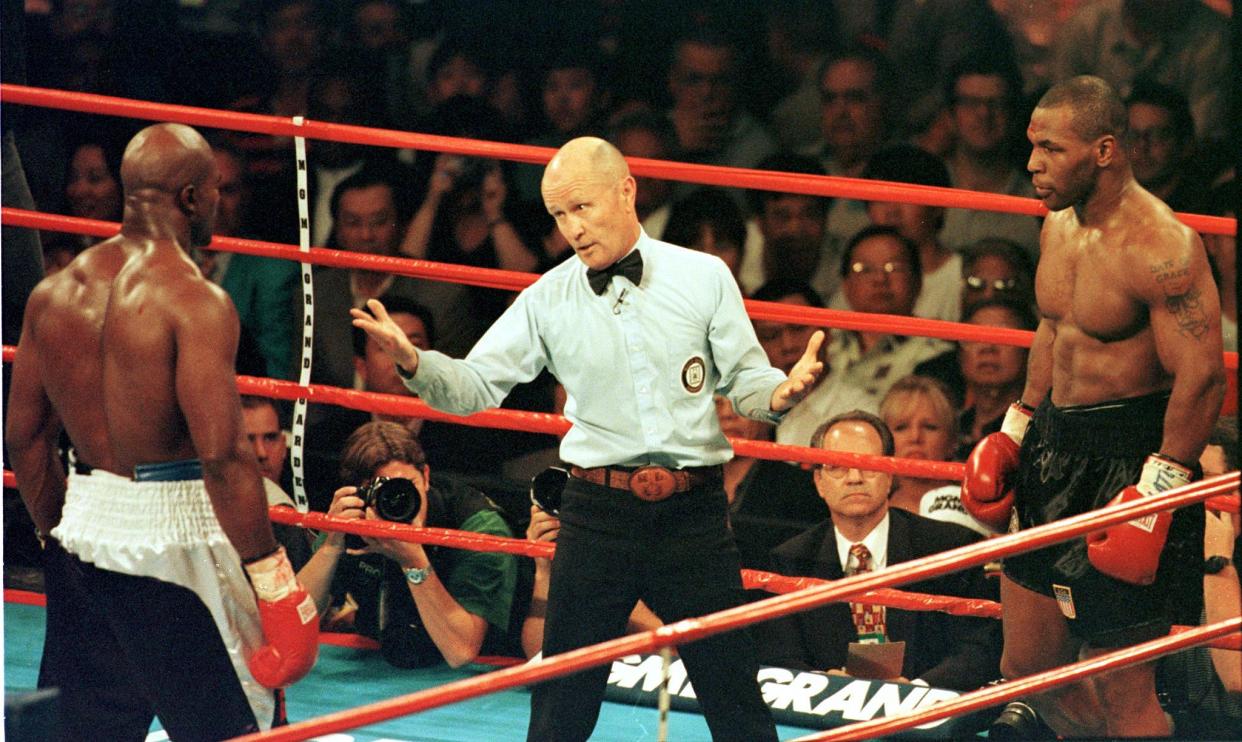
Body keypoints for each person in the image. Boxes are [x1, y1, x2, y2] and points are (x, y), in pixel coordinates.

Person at [353, 136, 824, 741]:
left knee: (734, 696)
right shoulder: (547, 298)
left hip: (694, 515)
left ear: (626, 191)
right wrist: (416, 363)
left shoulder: (704, 277)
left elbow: (748, 380)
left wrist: (782, 394)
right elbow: (474, 387)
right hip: (597, 516)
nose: (571, 228)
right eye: (558, 215)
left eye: (582, 208)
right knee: (560, 706)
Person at [5, 122, 319, 739]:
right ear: (193, 198)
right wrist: (273, 578)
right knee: (236, 727)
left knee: (83, 733)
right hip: (178, 544)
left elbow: (25, 439)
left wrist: (58, 532)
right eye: (216, 190)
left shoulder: (54, 293)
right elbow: (226, 457)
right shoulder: (194, 301)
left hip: (84, 527)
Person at [961, 75, 1225, 738]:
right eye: (1032, 146)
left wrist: (1156, 494)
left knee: (1122, 687)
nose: (1032, 163)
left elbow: (1201, 379)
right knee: (1027, 663)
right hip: (1054, 446)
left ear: (1104, 151)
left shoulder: (1163, 247)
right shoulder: (1058, 226)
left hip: (1129, 462)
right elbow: (1053, 331)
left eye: (1051, 148)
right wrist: (1016, 428)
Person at [757, 410, 1000, 690]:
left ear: (890, 474)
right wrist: (825, 687)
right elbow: (779, 655)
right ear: (819, 483)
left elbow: (980, 645)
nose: (854, 477)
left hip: (926, 712)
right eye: (837, 466)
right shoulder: (790, 560)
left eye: (867, 464)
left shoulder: (948, 547)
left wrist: (916, 692)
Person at [307, 421, 523, 668]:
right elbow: (290, 624)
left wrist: (413, 560)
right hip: (381, 666)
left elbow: (461, 651)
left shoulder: (478, 526)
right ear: (359, 494)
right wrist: (331, 544)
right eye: (383, 491)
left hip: (486, 673)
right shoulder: (353, 520)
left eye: (408, 485)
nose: (397, 499)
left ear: (426, 477)